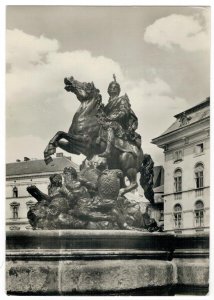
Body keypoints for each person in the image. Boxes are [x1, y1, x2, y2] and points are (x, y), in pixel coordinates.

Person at [98, 75, 141, 158]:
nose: (113, 88)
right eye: (111, 87)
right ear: (108, 90)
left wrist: (109, 118)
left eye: (115, 87)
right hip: (106, 122)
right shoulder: (107, 104)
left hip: (118, 125)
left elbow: (123, 112)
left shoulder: (122, 99)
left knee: (110, 126)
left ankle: (108, 151)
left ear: (118, 90)